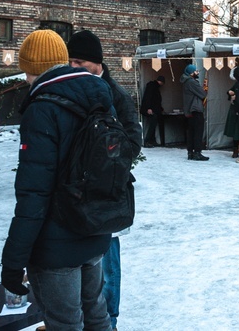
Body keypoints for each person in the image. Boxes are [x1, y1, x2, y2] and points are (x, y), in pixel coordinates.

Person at [1, 29, 113, 331]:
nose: (25, 79)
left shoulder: (41, 108)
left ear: (33, 69)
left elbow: (34, 193)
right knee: (96, 314)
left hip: (56, 244)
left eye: (27, 71)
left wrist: (13, 261)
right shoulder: (98, 96)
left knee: (64, 323)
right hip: (94, 231)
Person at [67, 29, 142, 331]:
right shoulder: (69, 90)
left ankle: (109, 321)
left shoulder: (117, 95)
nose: (74, 67)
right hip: (76, 197)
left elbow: (134, 143)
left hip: (108, 196)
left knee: (107, 266)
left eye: (80, 62)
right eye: (70, 61)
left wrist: (105, 159)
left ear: (98, 63)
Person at [181, 64, 208, 161]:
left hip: (190, 110)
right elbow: (202, 94)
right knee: (198, 132)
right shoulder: (192, 82)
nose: (197, 72)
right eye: (196, 71)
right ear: (191, 73)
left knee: (191, 132)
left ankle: (190, 152)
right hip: (195, 109)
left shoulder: (186, 81)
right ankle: (197, 152)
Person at [140, 74, 165, 147]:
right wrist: (148, 108)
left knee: (153, 123)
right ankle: (147, 141)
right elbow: (148, 97)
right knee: (153, 123)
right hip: (149, 109)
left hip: (151, 109)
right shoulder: (152, 86)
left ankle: (152, 140)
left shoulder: (153, 86)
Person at [224, 70, 239, 159]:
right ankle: (235, 150)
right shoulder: (237, 84)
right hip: (234, 109)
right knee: (235, 131)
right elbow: (229, 91)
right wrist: (230, 93)